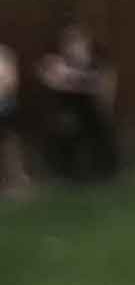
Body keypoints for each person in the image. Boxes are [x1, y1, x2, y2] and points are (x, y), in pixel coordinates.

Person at [39, 21, 118, 181]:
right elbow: (52, 81)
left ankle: (105, 169)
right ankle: (69, 171)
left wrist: (72, 79)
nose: (74, 47)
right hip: (68, 109)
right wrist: (84, 82)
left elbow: (105, 84)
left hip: (93, 108)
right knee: (66, 128)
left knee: (101, 129)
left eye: (78, 42)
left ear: (86, 43)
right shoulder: (55, 61)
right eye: (70, 43)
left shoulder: (98, 61)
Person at [0, 46, 29, 197]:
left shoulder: (4, 55)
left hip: (4, 106)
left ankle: (16, 180)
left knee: (9, 143)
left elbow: (11, 83)